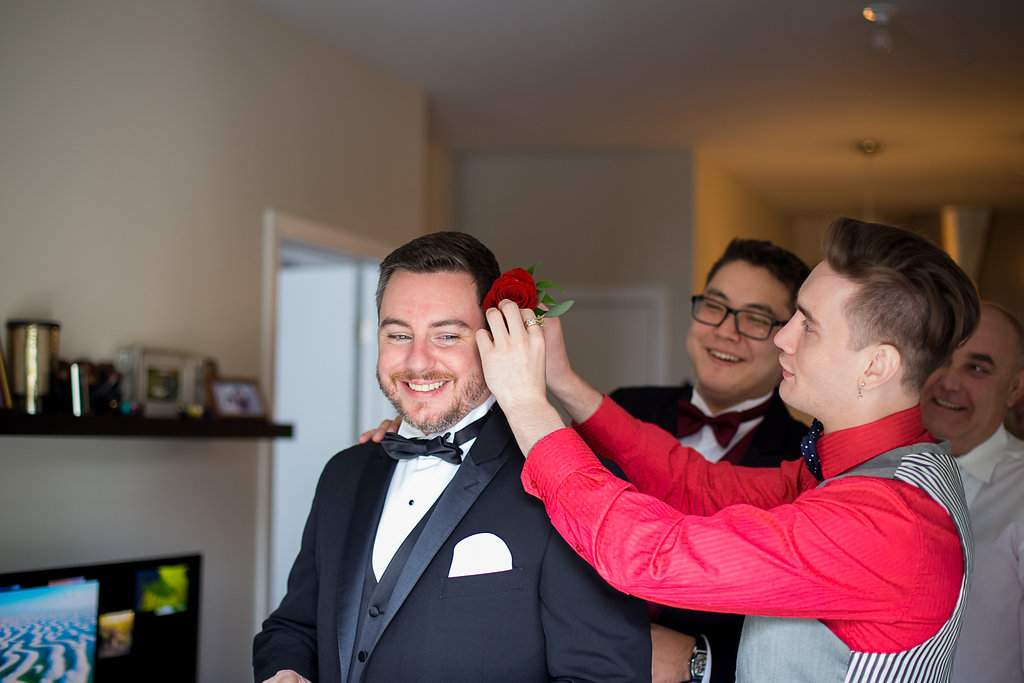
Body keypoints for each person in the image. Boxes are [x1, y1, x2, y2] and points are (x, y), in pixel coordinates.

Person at [477, 217, 979, 682]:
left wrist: (525, 404)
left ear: (875, 367)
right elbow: (698, 485)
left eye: (808, 325)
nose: (782, 338)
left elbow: (649, 555)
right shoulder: (868, 468)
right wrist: (562, 382)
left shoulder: (889, 522)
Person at [252, 232, 651, 683]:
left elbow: (605, 676)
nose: (417, 362)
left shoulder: (578, 490)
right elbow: (293, 627)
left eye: (447, 335)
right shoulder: (342, 474)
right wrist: (285, 670)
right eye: (398, 334)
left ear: (498, 341)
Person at [612, 238, 810, 683]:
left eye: (756, 319)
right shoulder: (622, 409)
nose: (725, 330)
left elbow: (799, 624)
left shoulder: (805, 461)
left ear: (790, 340)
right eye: (714, 306)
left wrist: (700, 659)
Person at [920, 302, 1024, 683]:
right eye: (940, 358)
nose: (949, 381)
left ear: (1015, 387)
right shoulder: (869, 468)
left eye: (976, 368)